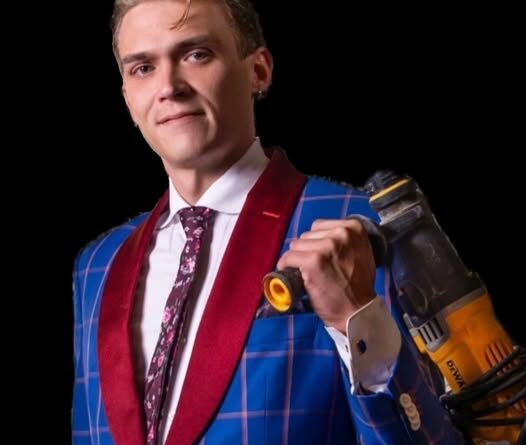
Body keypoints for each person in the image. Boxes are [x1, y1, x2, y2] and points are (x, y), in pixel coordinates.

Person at [71, 1, 466, 444]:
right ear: (128, 98)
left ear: (258, 71)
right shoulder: (96, 266)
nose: (169, 87)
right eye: (143, 68)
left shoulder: (366, 228)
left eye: (196, 54)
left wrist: (356, 322)